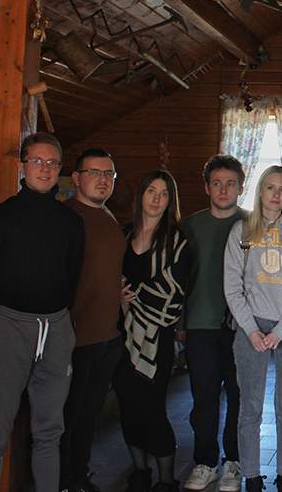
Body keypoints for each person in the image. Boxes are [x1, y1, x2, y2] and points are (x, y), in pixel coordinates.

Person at [0, 132, 84, 492]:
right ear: (22, 166)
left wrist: (56, 320)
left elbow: (72, 280)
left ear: (60, 169)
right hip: (9, 328)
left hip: (56, 330)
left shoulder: (71, 222)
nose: (44, 169)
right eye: (36, 161)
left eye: (52, 162)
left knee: (50, 431)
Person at [224, 166, 282, 492]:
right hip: (251, 327)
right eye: (270, 188)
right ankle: (251, 475)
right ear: (260, 190)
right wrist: (251, 329)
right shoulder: (241, 231)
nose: (276, 195)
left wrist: (281, 330)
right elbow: (232, 286)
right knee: (250, 407)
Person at [114, 170, 194, 492]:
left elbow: (175, 291)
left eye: (164, 194)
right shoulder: (123, 234)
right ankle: (140, 472)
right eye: (151, 191)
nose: (156, 199)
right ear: (141, 195)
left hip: (156, 338)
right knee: (127, 405)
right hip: (121, 335)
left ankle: (166, 480)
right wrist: (116, 292)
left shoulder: (177, 242)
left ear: (170, 201)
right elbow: (108, 273)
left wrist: (133, 294)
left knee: (151, 409)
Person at [180, 156, 250, 492]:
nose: (224, 190)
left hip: (242, 327)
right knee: (204, 397)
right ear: (207, 187)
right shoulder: (189, 227)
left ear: (241, 187)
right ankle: (206, 462)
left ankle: (234, 462)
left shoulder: (254, 224)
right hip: (199, 324)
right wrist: (180, 323)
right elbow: (178, 279)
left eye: (230, 184)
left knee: (238, 396)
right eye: (217, 183)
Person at [61, 148, 128, 492]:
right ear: (76, 177)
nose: (103, 180)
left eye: (109, 173)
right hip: (74, 338)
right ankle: (63, 482)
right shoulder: (66, 217)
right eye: (94, 172)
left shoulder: (108, 216)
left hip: (107, 336)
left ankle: (78, 477)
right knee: (67, 418)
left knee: (89, 416)